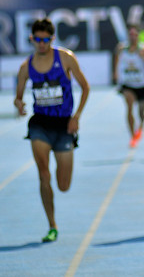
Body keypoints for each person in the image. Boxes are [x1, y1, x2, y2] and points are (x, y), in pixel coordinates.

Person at [13, 18, 90, 243]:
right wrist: (19, 104)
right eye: (37, 40)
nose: (42, 44)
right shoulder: (25, 67)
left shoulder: (65, 58)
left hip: (64, 125)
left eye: (46, 40)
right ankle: (52, 225)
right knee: (43, 174)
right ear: (32, 39)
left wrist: (76, 116)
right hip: (40, 125)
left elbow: (85, 87)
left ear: (52, 39)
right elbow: (18, 96)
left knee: (63, 185)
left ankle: (58, 193)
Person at [113, 23, 144, 148]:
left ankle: (140, 128)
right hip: (127, 84)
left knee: (141, 113)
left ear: (138, 35)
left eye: (135, 34)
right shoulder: (122, 49)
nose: (133, 37)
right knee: (129, 107)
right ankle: (132, 135)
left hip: (141, 84)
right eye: (131, 34)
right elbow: (117, 61)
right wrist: (116, 75)